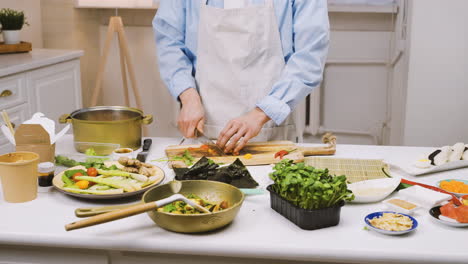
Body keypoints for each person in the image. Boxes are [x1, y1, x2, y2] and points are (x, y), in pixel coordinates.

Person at [153, 0, 329, 154]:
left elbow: (310, 55)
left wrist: (261, 113)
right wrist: (188, 96)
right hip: (203, 135)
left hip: (273, 137)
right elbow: (169, 40)